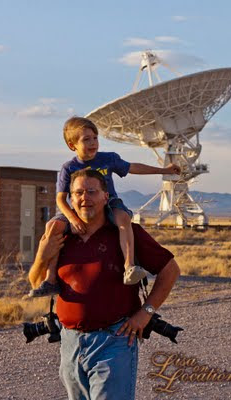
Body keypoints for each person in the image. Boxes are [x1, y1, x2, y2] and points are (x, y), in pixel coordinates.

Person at [28, 169, 180, 400]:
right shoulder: (60, 236)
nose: (84, 198)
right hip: (70, 343)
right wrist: (42, 254)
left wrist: (145, 313)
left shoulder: (125, 234)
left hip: (114, 341)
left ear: (105, 197)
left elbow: (170, 270)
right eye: (78, 192)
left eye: (92, 191)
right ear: (70, 198)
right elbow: (35, 282)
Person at [29, 117, 180, 297]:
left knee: (123, 218)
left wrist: (163, 170)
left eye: (95, 138)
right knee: (52, 227)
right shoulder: (69, 168)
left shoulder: (108, 159)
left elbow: (132, 167)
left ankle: (129, 266)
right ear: (72, 145)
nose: (93, 143)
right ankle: (51, 280)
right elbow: (61, 199)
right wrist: (73, 219)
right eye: (86, 139)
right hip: (78, 210)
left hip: (109, 203)